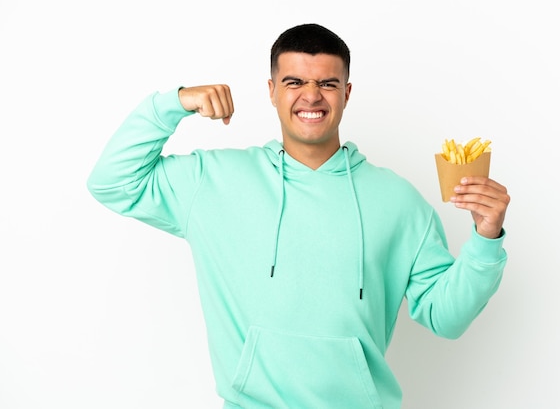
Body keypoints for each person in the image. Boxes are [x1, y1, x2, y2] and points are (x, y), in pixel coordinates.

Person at [87, 23, 510, 408]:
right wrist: (172, 104)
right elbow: (112, 182)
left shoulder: (400, 202)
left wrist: (486, 240)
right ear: (271, 90)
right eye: (294, 82)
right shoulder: (212, 180)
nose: (311, 96)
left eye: (327, 83)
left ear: (346, 93)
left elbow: (446, 317)